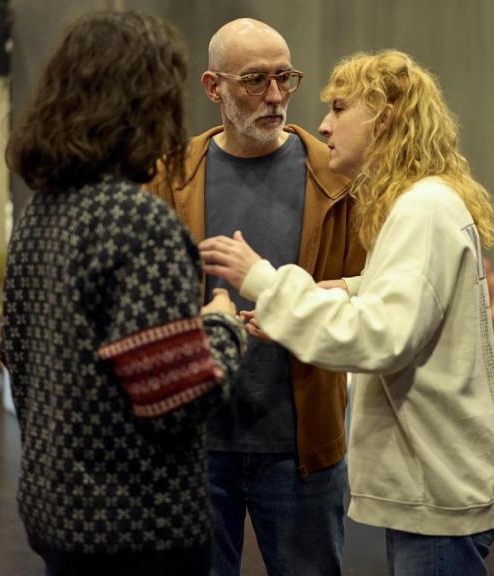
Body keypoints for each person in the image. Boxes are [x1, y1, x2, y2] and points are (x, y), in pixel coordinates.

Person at [199, 50, 494, 575]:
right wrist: (338, 291)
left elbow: (381, 337)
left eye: (341, 108)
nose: (323, 123)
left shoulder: (422, 210)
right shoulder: (427, 201)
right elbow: (404, 294)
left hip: (436, 492)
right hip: (439, 486)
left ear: (384, 118)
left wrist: (262, 281)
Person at [0, 10, 246, 576]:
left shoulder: (41, 211)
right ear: (148, 101)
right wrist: (221, 322)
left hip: (56, 515)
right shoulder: (139, 222)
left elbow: (16, 357)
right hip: (137, 532)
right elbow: (175, 398)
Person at [146, 18, 365, 576]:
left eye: (284, 78)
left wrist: (305, 307)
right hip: (195, 444)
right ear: (213, 87)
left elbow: (368, 299)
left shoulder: (335, 178)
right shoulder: (171, 177)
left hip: (302, 446)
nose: (275, 96)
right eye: (253, 80)